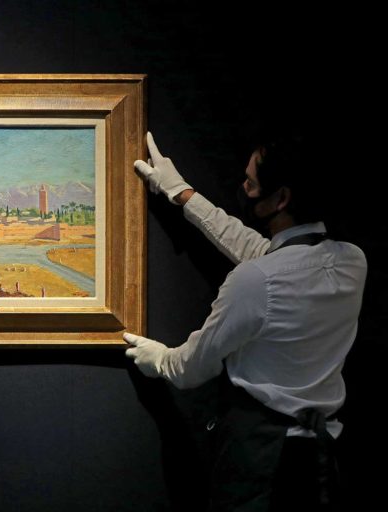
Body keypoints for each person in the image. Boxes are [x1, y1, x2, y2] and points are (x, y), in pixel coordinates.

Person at [124, 132, 367, 511]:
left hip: (260, 461)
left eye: (251, 183)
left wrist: (159, 360)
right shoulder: (353, 262)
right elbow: (266, 254)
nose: (244, 188)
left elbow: (192, 368)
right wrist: (181, 192)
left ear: (281, 198)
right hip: (322, 456)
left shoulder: (256, 280)